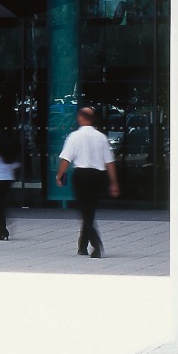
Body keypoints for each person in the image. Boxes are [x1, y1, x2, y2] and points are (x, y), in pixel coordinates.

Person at [55, 106, 119, 258]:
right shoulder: (101, 137)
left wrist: (59, 175)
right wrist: (114, 182)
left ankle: (96, 244)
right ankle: (82, 245)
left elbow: (66, 159)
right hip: (98, 176)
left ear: (81, 118)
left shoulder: (74, 137)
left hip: (82, 175)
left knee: (85, 211)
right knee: (90, 210)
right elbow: (109, 162)